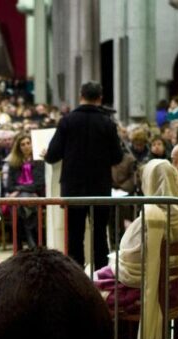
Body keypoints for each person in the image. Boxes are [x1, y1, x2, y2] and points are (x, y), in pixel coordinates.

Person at [94, 159, 178, 313]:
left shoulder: (151, 218)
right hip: (177, 288)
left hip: (149, 291)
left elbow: (128, 261)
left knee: (90, 284)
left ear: (150, 182)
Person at [44, 81, 124, 269]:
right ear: (100, 98)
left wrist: (47, 155)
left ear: (81, 96)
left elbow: (53, 155)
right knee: (99, 236)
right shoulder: (107, 123)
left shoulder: (67, 121)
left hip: (73, 188)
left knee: (74, 236)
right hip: (100, 187)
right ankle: (101, 276)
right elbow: (117, 157)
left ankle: (76, 276)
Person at [4, 132, 45, 249]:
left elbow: (39, 184)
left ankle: (19, 245)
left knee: (19, 204)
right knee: (20, 205)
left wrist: (18, 190)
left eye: (28, 143)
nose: (26, 146)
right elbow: (9, 186)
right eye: (23, 144)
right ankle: (32, 241)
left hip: (35, 195)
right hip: (20, 198)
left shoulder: (39, 161)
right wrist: (19, 191)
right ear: (19, 147)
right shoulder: (13, 163)